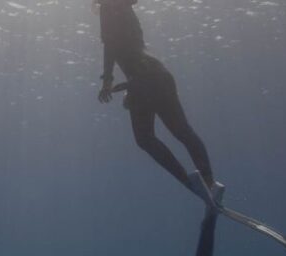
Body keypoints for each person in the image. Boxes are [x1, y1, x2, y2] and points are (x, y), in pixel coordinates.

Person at [94, 0, 222, 197]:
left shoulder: (108, 6)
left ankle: (192, 184)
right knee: (181, 131)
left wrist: (107, 81)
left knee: (146, 138)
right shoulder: (126, 10)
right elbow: (129, 50)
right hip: (157, 75)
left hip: (143, 79)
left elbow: (110, 45)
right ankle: (209, 182)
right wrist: (130, 86)